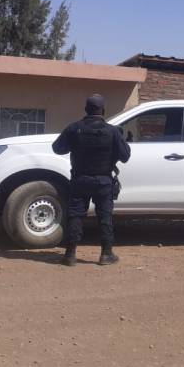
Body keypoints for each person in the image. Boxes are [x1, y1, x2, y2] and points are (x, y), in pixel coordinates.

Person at [52, 94, 131, 266]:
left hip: (80, 180)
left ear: (86, 109)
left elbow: (57, 149)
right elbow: (125, 157)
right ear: (103, 111)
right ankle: (106, 254)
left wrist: (75, 144)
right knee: (105, 216)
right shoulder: (112, 131)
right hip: (103, 181)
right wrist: (120, 139)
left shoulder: (74, 128)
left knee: (75, 215)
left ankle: (70, 255)